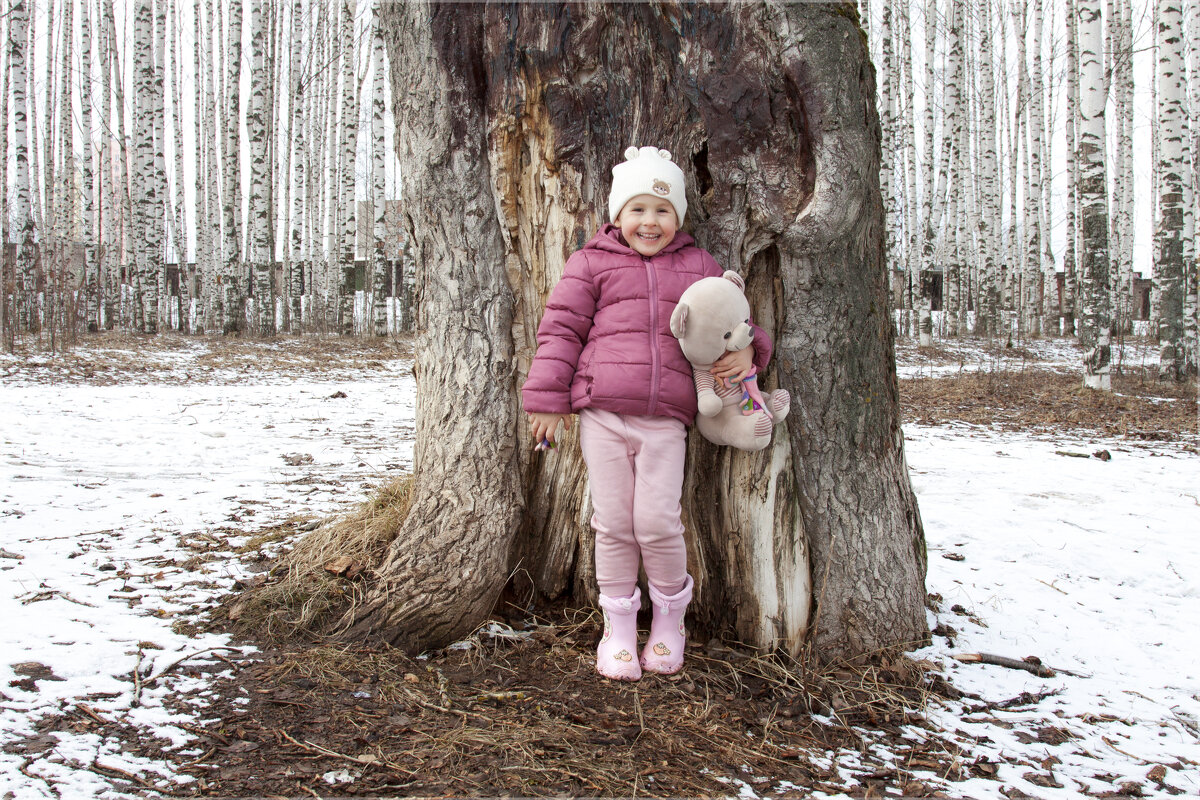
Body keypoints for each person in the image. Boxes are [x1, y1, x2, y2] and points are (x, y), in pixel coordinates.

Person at [522, 146, 773, 681]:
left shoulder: (699, 267)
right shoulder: (590, 262)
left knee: (657, 523)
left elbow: (733, 319)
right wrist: (547, 399)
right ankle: (617, 628)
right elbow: (561, 331)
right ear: (617, 215)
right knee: (613, 523)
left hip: (666, 420)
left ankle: (668, 622)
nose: (649, 222)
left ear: (678, 216)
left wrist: (753, 349)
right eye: (637, 209)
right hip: (603, 415)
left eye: (662, 210)